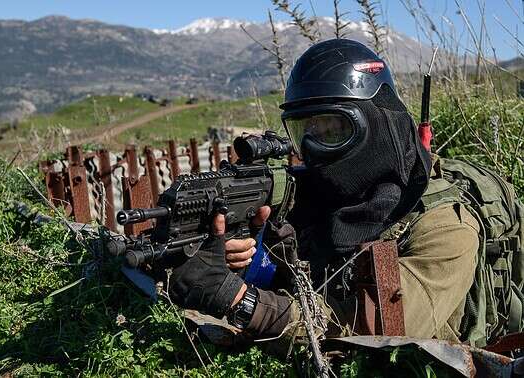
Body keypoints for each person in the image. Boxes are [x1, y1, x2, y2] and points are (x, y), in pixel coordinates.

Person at [168, 39, 480, 344]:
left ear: (375, 122)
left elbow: (378, 334)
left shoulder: (446, 228)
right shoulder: (324, 195)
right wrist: (246, 256)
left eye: (333, 129)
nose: (313, 148)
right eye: (306, 131)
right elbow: (292, 279)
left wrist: (239, 301)